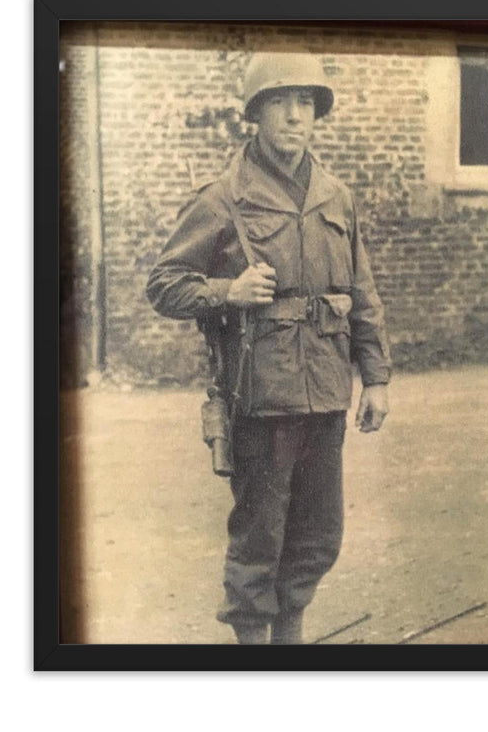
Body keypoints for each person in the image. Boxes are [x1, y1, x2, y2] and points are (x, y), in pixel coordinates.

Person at [146, 51, 391, 644]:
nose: (294, 116)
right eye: (279, 102)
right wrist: (229, 290)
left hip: (327, 390)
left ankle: (291, 643)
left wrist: (376, 377)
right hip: (260, 393)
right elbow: (164, 285)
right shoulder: (223, 198)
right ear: (255, 114)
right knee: (260, 536)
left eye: (305, 103)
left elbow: (361, 290)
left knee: (317, 535)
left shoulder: (336, 196)